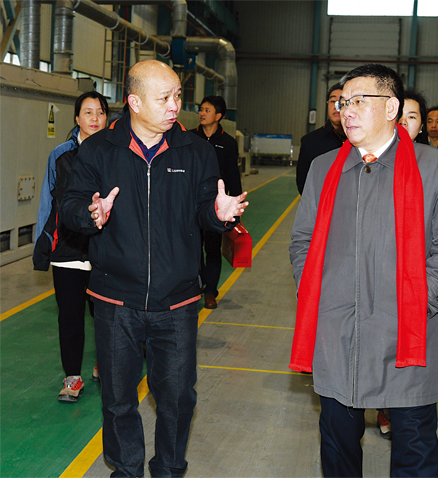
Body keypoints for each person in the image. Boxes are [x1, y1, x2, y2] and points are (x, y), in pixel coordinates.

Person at [60, 60, 248, 478]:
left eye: (178, 96)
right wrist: (90, 213)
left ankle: (169, 469)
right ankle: (126, 470)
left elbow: (205, 209)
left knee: (178, 397)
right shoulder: (98, 150)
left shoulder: (195, 152)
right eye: (164, 98)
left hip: (176, 301)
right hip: (115, 299)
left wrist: (218, 215)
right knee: (118, 398)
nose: (174, 105)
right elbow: (69, 205)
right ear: (134, 102)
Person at [289, 64, 438, 478]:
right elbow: (303, 241)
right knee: (337, 444)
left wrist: (423, 301)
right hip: (338, 332)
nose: (346, 111)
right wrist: (315, 290)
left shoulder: (434, 167)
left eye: (358, 101)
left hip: (406, 331)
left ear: (391, 108)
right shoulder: (324, 168)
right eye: (342, 102)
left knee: (415, 447)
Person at [33, 91, 109, 402]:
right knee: (70, 316)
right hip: (67, 250)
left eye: (100, 112)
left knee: (105, 315)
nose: (94, 118)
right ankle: (72, 377)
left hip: (105, 250)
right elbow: (48, 202)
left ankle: (104, 365)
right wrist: (42, 246)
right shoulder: (60, 155)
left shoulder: (116, 153)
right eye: (88, 112)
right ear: (77, 118)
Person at [191, 96, 242, 309]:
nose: (202, 113)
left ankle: (210, 291)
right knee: (192, 247)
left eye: (207, 110)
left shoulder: (228, 143)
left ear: (218, 115)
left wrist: (236, 208)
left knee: (212, 249)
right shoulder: (190, 138)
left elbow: (233, 175)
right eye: (201, 109)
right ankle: (197, 284)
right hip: (190, 205)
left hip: (215, 207)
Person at [296, 83, 346, 194]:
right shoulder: (310, 142)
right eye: (332, 101)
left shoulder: (361, 142)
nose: (336, 106)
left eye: (341, 101)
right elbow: (303, 183)